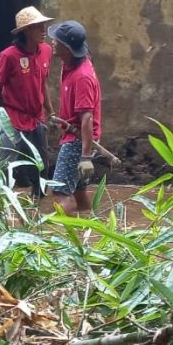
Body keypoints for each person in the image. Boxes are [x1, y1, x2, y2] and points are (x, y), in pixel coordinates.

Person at [0, 6, 54, 197]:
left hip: (37, 118)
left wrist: (51, 112)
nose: (43, 31)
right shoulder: (8, 56)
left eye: (44, 26)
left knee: (41, 162)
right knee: (5, 162)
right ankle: (0, 199)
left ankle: (38, 202)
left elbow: (43, 83)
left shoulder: (46, 51)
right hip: (12, 117)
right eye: (38, 27)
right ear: (26, 31)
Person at [48, 20, 101, 213]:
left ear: (67, 48)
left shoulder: (82, 77)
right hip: (77, 137)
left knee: (61, 193)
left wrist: (85, 157)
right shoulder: (68, 63)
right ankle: (89, 230)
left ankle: (63, 239)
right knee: (78, 191)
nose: (52, 42)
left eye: (57, 40)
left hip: (78, 141)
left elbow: (86, 118)